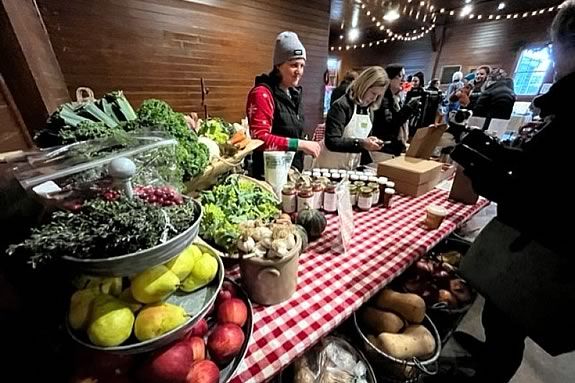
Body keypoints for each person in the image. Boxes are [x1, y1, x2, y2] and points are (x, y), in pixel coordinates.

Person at [439, 2, 575, 382]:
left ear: (566, 45)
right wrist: (500, 155)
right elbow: (543, 167)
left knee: (510, 315)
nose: (553, 57)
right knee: (503, 322)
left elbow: (536, 190)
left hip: (541, 248)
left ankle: (490, 372)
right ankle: (490, 357)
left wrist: (483, 173)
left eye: (554, 47)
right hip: (544, 243)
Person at [246, 31, 321, 178]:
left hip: (291, 173)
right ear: (278, 65)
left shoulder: (293, 94)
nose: (299, 71)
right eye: (294, 65)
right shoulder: (262, 93)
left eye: (302, 65)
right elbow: (259, 139)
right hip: (269, 176)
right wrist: (300, 144)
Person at [313, 66, 389, 169]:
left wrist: (369, 141)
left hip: (351, 166)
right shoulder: (341, 106)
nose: (374, 98)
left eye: (378, 95)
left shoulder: (369, 111)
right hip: (329, 165)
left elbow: (362, 137)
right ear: (364, 86)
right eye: (373, 93)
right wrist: (362, 143)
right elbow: (332, 141)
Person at [371, 64, 421, 159]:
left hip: (392, 147)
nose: (403, 80)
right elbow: (390, 124)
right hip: (382, 149)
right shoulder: (383, 98)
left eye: (404, 77)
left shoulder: (397, 98)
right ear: (389, 79)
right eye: (400, 76)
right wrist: (409, 108)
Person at [405, 72, 426, 136]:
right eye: (412, 81)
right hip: (408, 116)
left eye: (415, 81)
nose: (413, 83)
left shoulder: (423, 92)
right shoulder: (409, 91)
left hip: (418, 117)